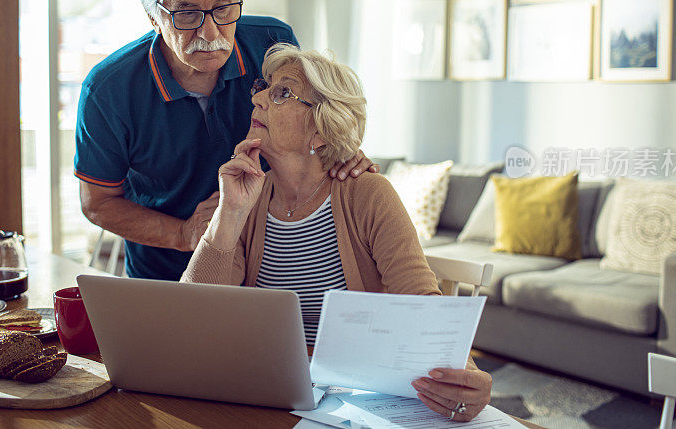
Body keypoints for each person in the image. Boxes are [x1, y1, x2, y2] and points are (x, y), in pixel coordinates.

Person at [180, 43, 492, 422]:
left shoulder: (367, 193)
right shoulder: (247, 194)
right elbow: (195, 319)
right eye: (264, 86)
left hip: (353, 401)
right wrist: (229, 212)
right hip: (267, 391)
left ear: (321, 132)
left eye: (282, 93)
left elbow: (421, 304)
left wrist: (465, 381)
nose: (258, 98)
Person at [74, 0, 375, 281]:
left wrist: (343, 154)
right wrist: (183, 233)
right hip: (166, 274)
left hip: (269, 262)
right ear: (153, 17)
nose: (211, 31)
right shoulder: (108, 89)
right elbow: (98, 203)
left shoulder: (271, 42)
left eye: (223, 7)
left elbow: (309, 124)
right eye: (187, 14)